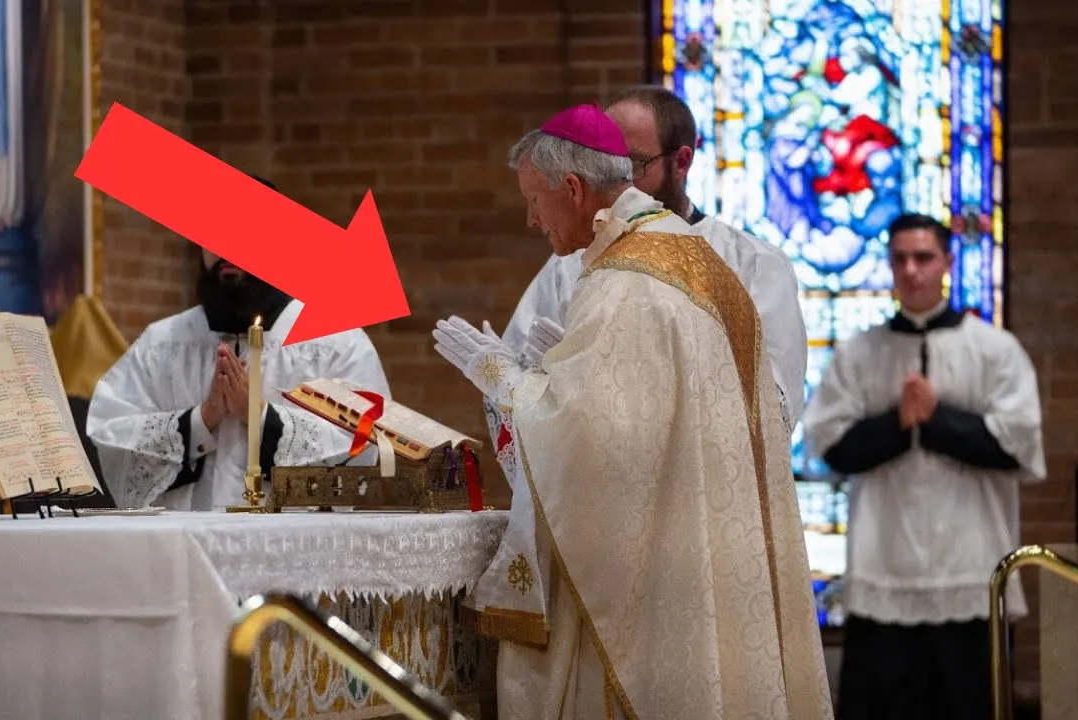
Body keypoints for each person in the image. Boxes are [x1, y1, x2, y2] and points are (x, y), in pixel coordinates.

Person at [433, 104, 832, 719]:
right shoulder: (686, 256)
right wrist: (559, 371)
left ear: (573, 189)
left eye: (535, 200)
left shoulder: (626, 281)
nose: (531, 218)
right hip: (704, 544)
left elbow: (591, 440)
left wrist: (503, 377)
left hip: (652, 572)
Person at [482, 84, 807, 480]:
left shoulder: (752, 265)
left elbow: (770, 410)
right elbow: (520, 395)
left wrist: (608, 382)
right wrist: (534, 380)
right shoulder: (568, 265)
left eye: (633, 163)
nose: (613, 177)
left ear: (681, 162)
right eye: (602, 160)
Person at [801, 213, 1046, 719]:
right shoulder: (859, 353)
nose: (911, 270)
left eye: (923, 258)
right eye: (900, 259)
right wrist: (898, 422)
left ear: (947, 262)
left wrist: (937, 419)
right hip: (883, 568)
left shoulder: (995, 350)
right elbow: (828, 447)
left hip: (970, 570)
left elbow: (1018, 447)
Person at [86, 175, 392, 511]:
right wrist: (201, 421)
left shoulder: (336, 344)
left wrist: (261, 417)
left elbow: (364, 445)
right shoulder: (161, 344)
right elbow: (112, 435)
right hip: (186, 540)